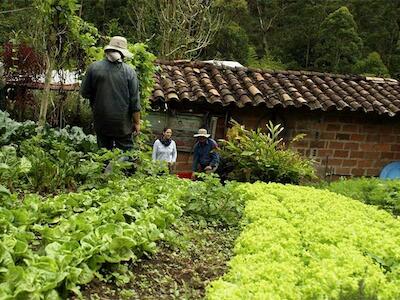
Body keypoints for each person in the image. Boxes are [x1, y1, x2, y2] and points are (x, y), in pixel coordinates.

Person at [80, 36, 140, 151]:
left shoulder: (93, 68)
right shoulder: (129, 72)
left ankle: (103, 169)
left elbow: (84, 93)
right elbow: (135, 102)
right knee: (126, 155)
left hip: (101, 121)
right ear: (122, 54)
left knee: (103, 154)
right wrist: (137, 123)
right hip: (122, 124)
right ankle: (120, 169)